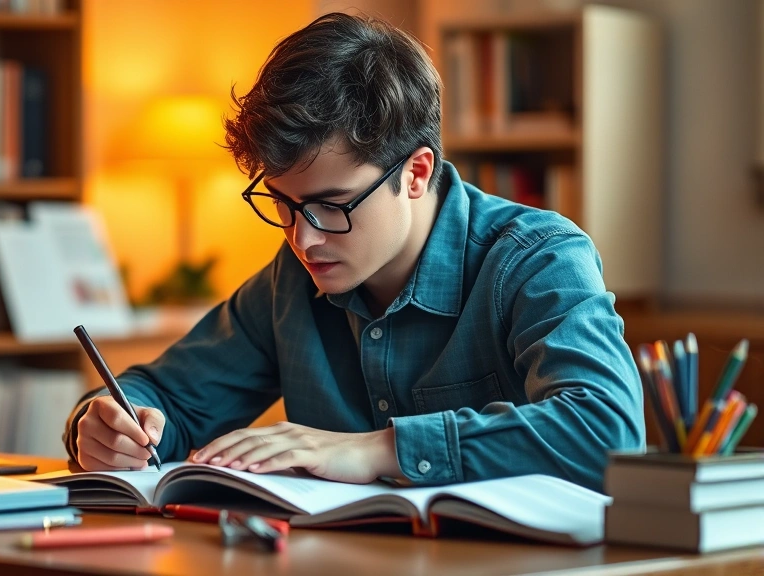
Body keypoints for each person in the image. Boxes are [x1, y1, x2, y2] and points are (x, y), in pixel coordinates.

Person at [63, 12, 644, 491]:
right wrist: (108, 425)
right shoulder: (291, 281)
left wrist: (379, 450)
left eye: (332, 205)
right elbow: (165, 397)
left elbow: (607, 433)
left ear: (416, 173)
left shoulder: (536, 258)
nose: (303, 238)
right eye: (284, 204)